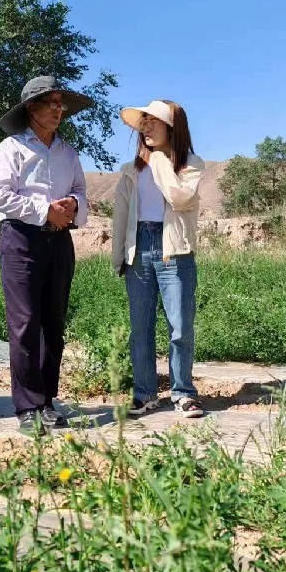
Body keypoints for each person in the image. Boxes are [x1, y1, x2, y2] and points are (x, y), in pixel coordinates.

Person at [0, 76, 94, 436]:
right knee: (24, 323)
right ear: (31, 108)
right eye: (50, 102)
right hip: (20, 239)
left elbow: (82, 193)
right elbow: (1, 197)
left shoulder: (68, 152)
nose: (58, 109)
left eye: (60, 103)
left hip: (59, 241)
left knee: (53, 323)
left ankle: (47, 402)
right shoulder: (12, 148)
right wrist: (43, 209)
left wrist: (73, 204)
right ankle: (28, 407)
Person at [111, 100, 206, 418]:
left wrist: (161, 161)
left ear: (172, 127)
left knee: (180, 327)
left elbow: (180, 198)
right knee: (140, 328)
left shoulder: (191, 164)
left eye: (154, 121)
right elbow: (120, 216)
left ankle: (182, 393)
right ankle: (144, 394)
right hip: (138, 248)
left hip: (173, 250)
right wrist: (118, 255)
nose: (146, 127)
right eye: (144, 122)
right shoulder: (130, 171)